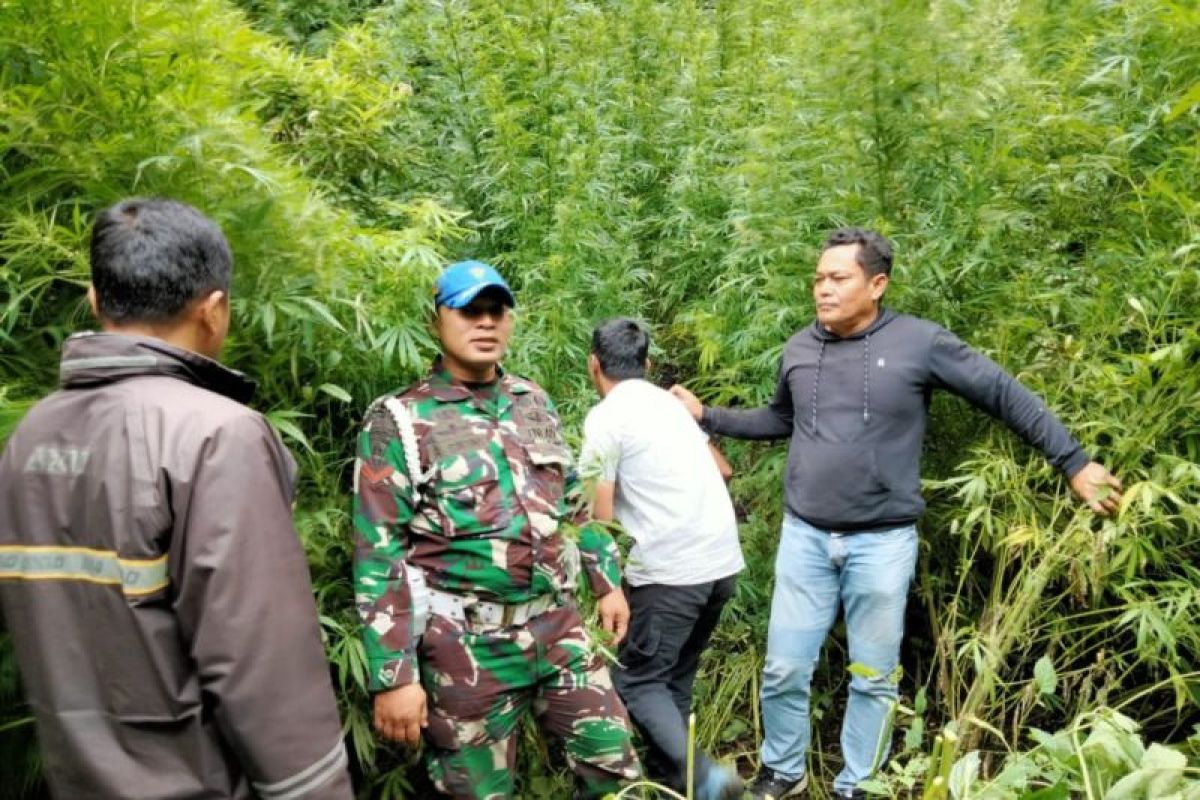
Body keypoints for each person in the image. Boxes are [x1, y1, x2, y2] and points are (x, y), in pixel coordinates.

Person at [670, 227, 1122, 800]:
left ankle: (857, 785)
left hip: (882, 543)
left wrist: (1074, 462)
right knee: (784, 667)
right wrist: (707, 415)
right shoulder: (798, 348)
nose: (822, 290)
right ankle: (783, 773)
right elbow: (780, 420)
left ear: (877, 284)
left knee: (874, 677)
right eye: (817, 279)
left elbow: (1003, 393)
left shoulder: (920, 343)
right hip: (805, 537)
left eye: (838, 278)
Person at [0, 198, 353, 799]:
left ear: (94, 298)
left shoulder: (31, 435)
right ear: (214, 310)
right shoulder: (218, 436)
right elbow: (260, 662)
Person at [352, 260, 641, 799]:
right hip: (466, 647)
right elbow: (378, 552)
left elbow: (572, 503)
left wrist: (607, 580)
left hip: (559, 631)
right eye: (469, 311)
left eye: (496, 310)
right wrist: (393, 676)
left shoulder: (533, 401)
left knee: (616, 770)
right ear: (436, 320)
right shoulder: (400, 419)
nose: (486, 323)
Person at [578, 318, 745, 800]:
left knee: (637, 682)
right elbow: (724, 469)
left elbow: (599, 516)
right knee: (673, 684)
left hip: (671, 572)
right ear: (647, 365)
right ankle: (676, 785)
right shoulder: (670, 407)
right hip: (721, 565)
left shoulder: (606, 418)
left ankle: (709, 782)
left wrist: (606, 585)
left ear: (595, 365)